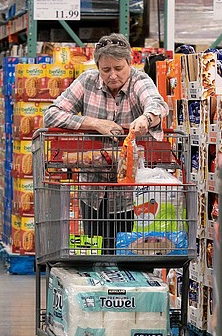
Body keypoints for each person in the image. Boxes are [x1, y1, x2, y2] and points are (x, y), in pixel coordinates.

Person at [44, 32, 169, 247]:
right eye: (106, 69)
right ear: (97, 67)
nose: (112, 75)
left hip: (132, 195)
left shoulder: (140, 81)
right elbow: (51, 113)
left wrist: (146, 119)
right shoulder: (87, 81)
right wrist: (93, 123)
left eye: (119, 68)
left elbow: (157, 104)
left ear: (130, 63)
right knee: (96, 252)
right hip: (93, 191)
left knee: (131, 251)